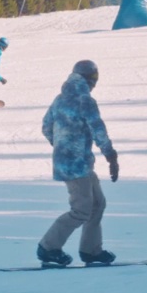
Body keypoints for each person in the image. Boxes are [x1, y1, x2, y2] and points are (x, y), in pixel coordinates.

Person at [36, 59, 119, 268]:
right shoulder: (85, 100)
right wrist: (111, 156)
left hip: (76, 162)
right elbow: (98, 130)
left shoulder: (59, 99)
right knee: (81, 209)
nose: (95, 83)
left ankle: (91, 250)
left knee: (97, 204)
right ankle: (48, 247)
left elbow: (46, 127)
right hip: (76, 164)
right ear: (89, 79)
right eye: (95, 79)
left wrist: (62, 146)